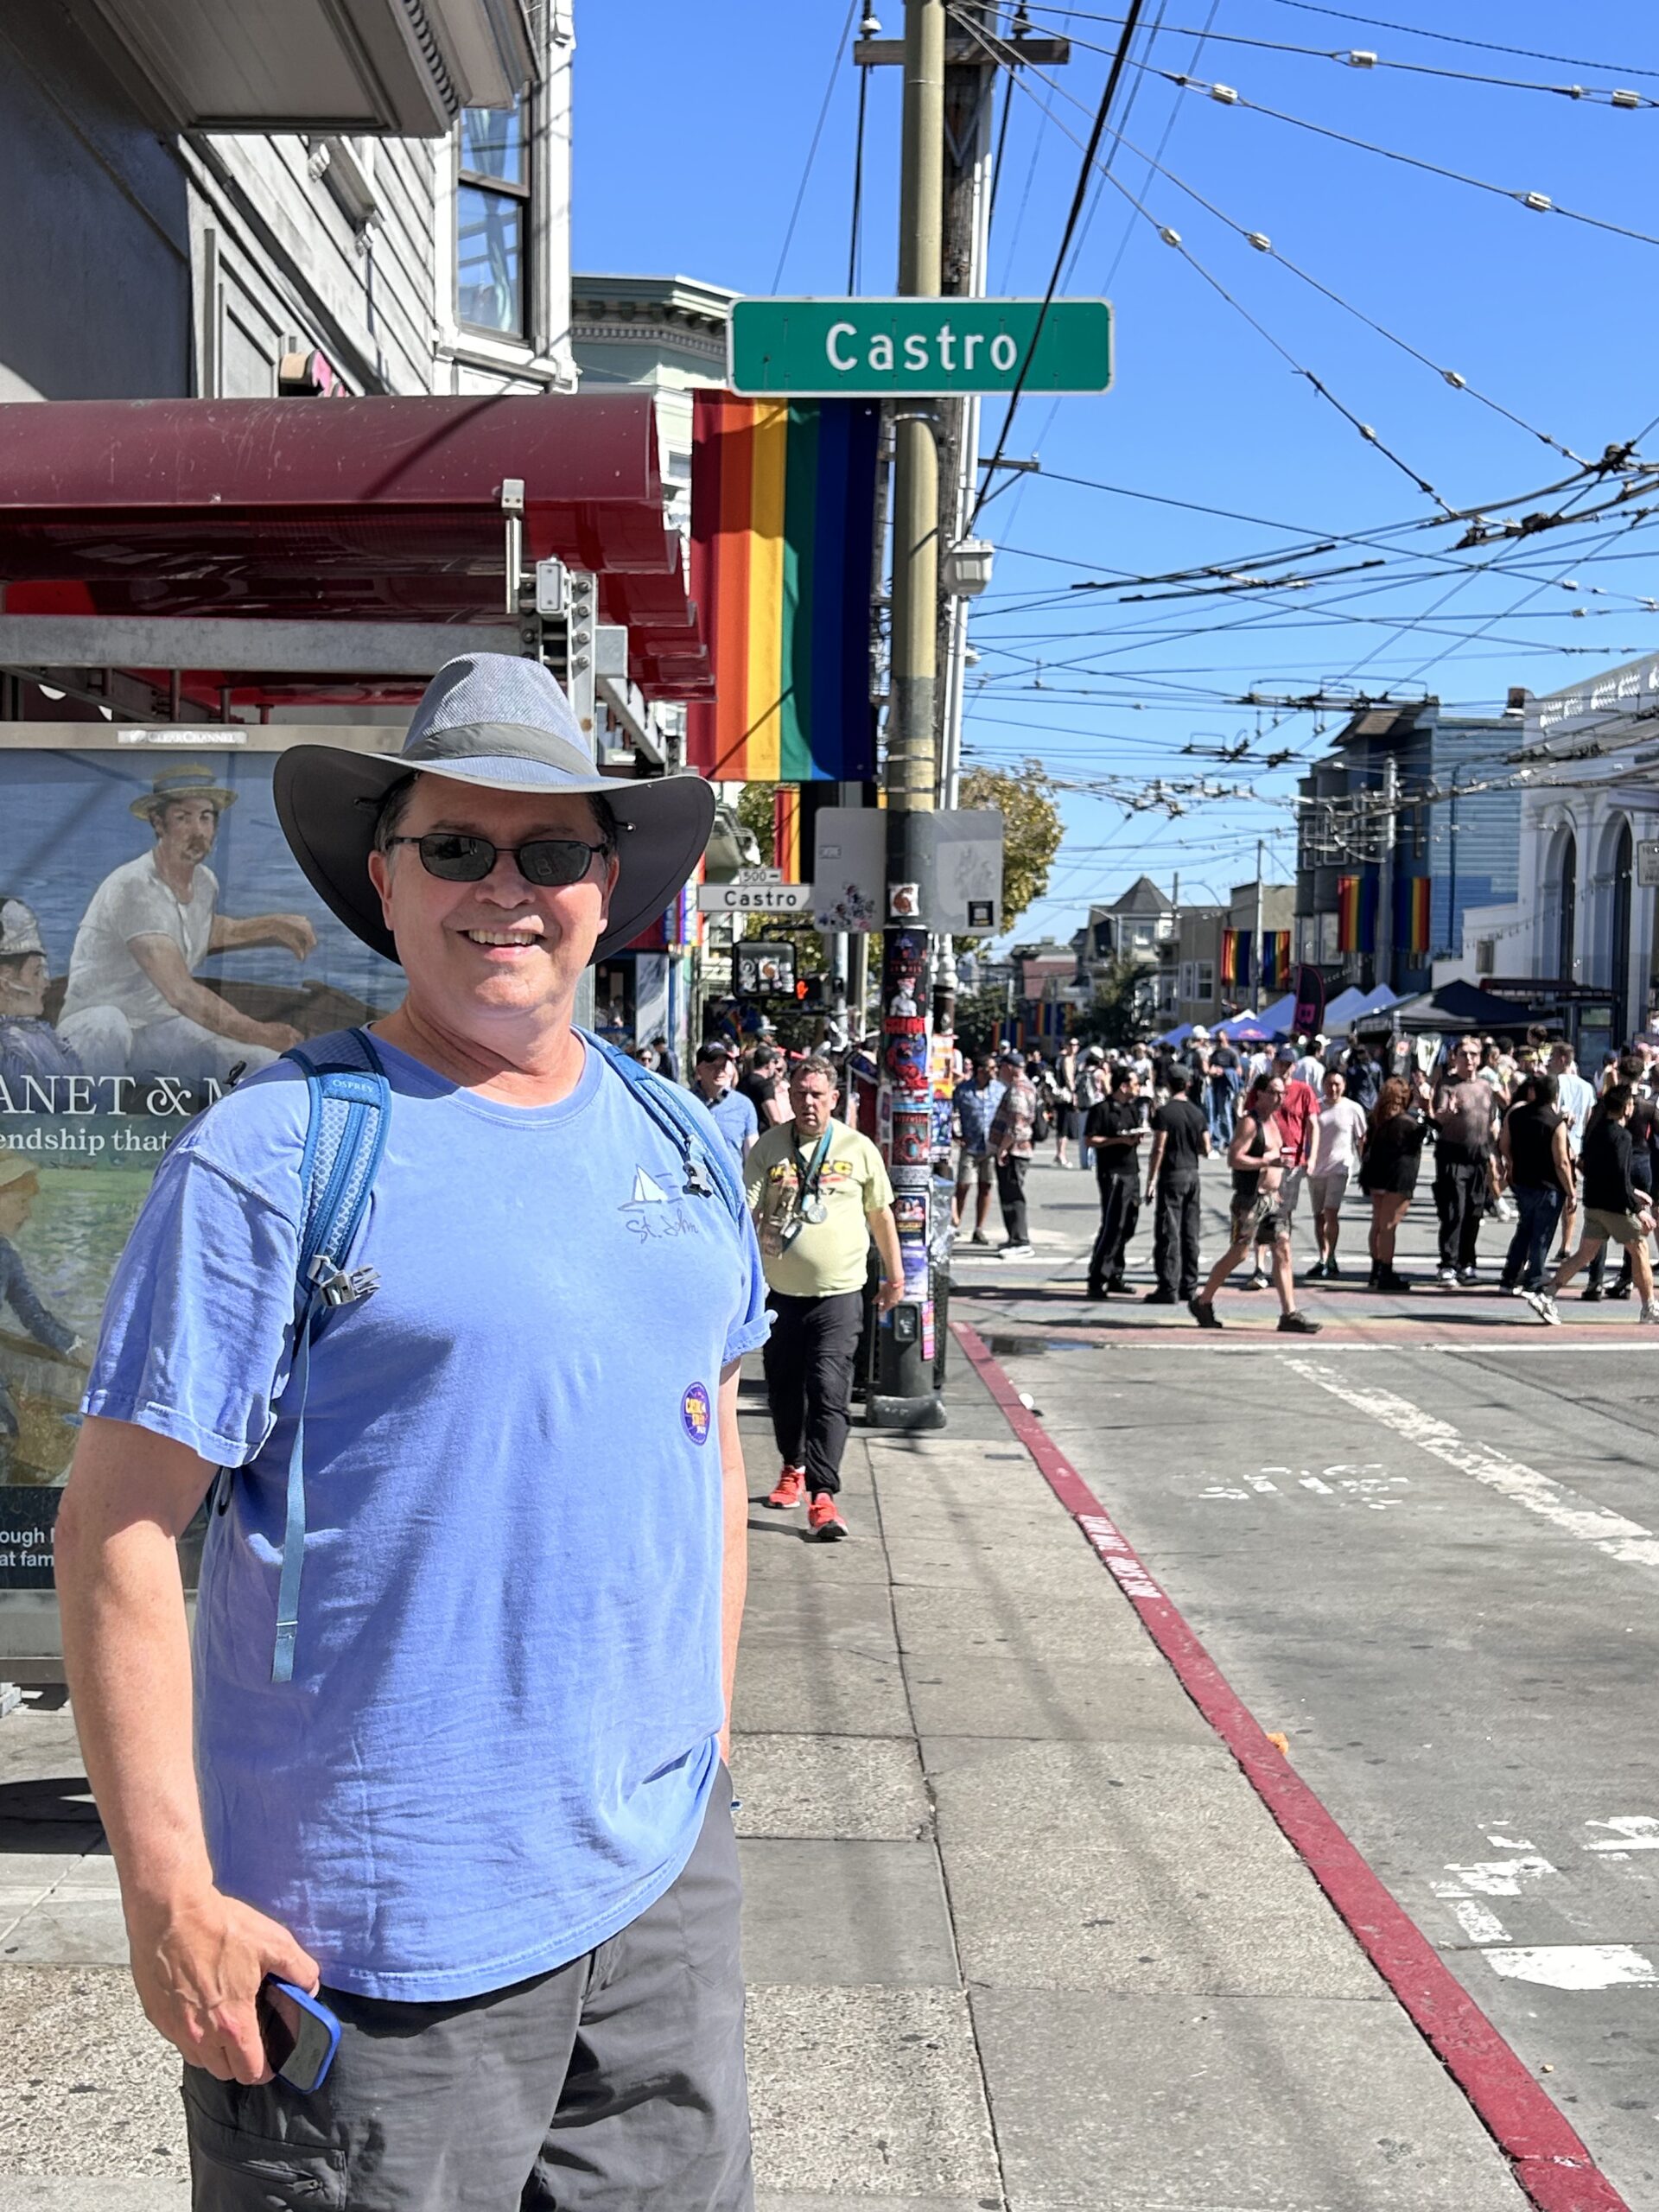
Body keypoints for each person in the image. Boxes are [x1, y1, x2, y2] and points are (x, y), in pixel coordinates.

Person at [54, 653, 768, 2209]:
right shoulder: (275, 1156)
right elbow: (113, 1525)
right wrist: (168, 1889)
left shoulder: (682, 1140)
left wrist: (697, 1754)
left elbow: (704, 1447)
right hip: (368, 1950)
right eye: (457, 847)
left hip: (655, 1905)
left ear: (607, 886)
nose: (504, 891)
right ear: (385, 880)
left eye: (553, 852)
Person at [57, 761, 318, 1082]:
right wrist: (260, 1031)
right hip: (93, 1031)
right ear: (158, 823)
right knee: (108, 1024)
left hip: (154, 1027)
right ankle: (87, 1128)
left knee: (261, 1064)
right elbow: (181, 992)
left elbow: (202, 930)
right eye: (183, 818)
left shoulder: (204, 882)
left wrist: (274, 925)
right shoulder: (133, 887)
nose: (198, 830)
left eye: (206, 817)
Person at [747, 1056, 903, 1538]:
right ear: (788, 1097)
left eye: (817, 1094)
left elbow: (881, 1216)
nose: (808, 1103)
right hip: (782, 1295)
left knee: (829, 1390)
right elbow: (746, 1218)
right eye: (799, 1094)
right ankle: (792, 1465)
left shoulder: (858, 1149)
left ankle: (823, 1495)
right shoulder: (770, 1149)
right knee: (784, 1391)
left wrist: (895, 1276)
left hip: (840, 1295)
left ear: (835, 1099)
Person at [1189, 1073, 1320, 1333]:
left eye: (1282, 1093)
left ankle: (1289, 1313)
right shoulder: (1250, 1123)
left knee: (1283, 1248)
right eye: (1273, 1092)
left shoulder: (1274, 1122)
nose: (1279, 1098)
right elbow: (1235, 1159)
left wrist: (1278, 1182)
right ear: (1259, 1093)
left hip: (1273, 1198)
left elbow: (1276, 1159)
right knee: (1240, 1252)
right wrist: (1267, 1162)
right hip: (1250, 1199)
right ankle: (1203, 1301)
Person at [1527, 1084, 1659, 1324]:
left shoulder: (1596, 1132)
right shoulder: (1623, 1137)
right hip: (1615, 1208)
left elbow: (1596, 1169)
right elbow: (1619, 1176)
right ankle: (1649, 1306)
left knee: (1584, 1255)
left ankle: (1547, 1294)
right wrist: (1638, 1209)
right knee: (1640, 1249)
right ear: (1626, 1108)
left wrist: (1634, 1191)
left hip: (1595, 1204)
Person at [1243, 1043, 1318, 1289]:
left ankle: (1281, 1263)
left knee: (1284, 1213)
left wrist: (1312, 1156)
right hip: (1266, 1158)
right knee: (1261, 1210)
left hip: (1292, 1161)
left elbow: (1312, 1125)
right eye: (1280, 1063)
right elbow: (1249, 1116)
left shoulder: (1303, 1090)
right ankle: (1259, 1268)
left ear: (1294, 1067)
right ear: (1273, 1064)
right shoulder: (1262, 1089)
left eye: (1288, 1064)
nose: (1284, 1068)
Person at [1497, 1071, 1573, 1298]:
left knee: (1525, 1229)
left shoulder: (1517, 1114)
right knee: (1542, 1233)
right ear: (1555, 1095)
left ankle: (1510, 1275)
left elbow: (1504, 1143)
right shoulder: (1555, 1121)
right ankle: (1535, 1276)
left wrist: (1511, 1163)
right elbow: (1562, 1161)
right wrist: (1571, 1190)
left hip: (1522, 1180)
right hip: (1548, 1184)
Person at [1432, 1038, 1499, 1284]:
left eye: (1473, 1054)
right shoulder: (1448, 1085)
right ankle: (1448, 1263)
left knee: (1474, 1211)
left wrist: (1497, 1157)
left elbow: (1492, 1124)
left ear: (1480, 1058)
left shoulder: (1485, 1086)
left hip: (1479, 1157)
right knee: (1454, 1211)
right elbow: (1437, 1117)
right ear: (1455, 1057)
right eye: (1464, 1054)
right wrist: (1447, 1113)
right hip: (1453, 1155)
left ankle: (1467, 1263)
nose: (1468, 1059)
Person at [0, 896, 85, 1092]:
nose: (46, 983)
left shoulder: (39, 1038)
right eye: (36, 973)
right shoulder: (12, 1050)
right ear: (5, 981)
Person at [1144, 1071, 1210, 1304]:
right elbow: (1206, 1147)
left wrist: (1151, 1180)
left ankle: (1168, 1286)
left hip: (1172, 1174)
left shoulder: (1165, 1113)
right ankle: (1189, 1285)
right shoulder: (1197, 1113)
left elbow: (1158, 1148)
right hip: (1192, 1173)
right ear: (1188, 1084)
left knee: (1168, 1230)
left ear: (1169, 1085)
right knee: (1190, 1231)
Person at [1361, 1073, 1429, 1292]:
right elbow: (1429, 1132)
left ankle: (1376, 1268)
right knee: (1389, 1226)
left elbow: (1365, 1145)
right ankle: (1386, 1271)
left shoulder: (1375, 1118)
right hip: (1397, 1177)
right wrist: (1428, 1111)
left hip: (1375, 1175)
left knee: (1378, 1223)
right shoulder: (1407, 1123)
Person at [1085, 1066, 1146, 1297]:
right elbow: (1090, 1139)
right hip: (1112, 1172)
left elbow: (1131, 1135)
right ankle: (1097, 1278)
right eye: (1135, 1084)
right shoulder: (1102, 1109)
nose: (1137, 1088)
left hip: (1132, 1171)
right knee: (1113, 1225)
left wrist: (1135, 1137)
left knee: (1129, 1224)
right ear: (1123, 1085)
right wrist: (1116, 1141)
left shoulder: (1131, 1109)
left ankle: (1115, 1274)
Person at [1303, 1069, 1370, 1280]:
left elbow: (1361, 1139)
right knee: (1318, 1216)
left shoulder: (1353, 1108)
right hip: (1316, 1168)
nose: (1333, 1088)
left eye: (1337, 1084)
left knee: (1331, 1212)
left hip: (1340, 1168)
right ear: (1322, 1085)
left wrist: (1364, 1166)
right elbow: (1306, 1135)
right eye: (1329, 1084)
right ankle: (1322, 1257)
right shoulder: (1316, 1107)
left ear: (1344, 1086)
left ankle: (1331, 1256)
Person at [1548, 1041, 1596, 1260]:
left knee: (1552, 1197)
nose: (1549, 1063)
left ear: (1562, 1059)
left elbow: (1552, 1112)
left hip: (1556, 1144)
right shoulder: (1586, 1087)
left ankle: (1547, 1242)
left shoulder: (1554, 1083)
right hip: (1578, 1144)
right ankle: (1566, 1243)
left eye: (1552, 1058)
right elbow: (1588, 1119)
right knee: (1572, 1195)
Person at [952, 1052, 1005, 1242]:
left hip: (991, 1147)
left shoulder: (999, 1089)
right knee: (963, 1186)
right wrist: (955, 1134)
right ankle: (955, 1224)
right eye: (991, 1068)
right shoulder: (963, 1090)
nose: (995, 1071)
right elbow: (952, 1113)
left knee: (986, 1186)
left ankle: (979, 1228)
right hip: (971, 1145)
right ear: (981, 1070)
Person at [988, 1048, 1038, 1253]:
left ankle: (1020, 1240)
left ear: (1009, 1068)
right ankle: (1014, 1237)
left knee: (1013, 1194)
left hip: (1014, 1151)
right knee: (1008, 1193)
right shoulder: (1026, 1086)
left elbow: (1016, 1124)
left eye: (1001, 1067)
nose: (999, 1071)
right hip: (1016, 1148)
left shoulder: (1018, 1089)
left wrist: (1002, 1148)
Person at [690, 1038, 759, 1163]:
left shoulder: (743, 1105)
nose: (719, 1071)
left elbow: (752, 1153)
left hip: (732, 1181)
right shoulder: (686, 1102)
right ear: (699, 1070)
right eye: (712, 1066)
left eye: (723, 1065)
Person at [739, 1039, 791, 1129]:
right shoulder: (765, 1085)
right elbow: (775, 1118)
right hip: (762, 1136)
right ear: (769, 1064)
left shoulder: (742, 1082)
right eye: (774, 1063)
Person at [1206, 1033, 1241, 1144]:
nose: (1218, 1042)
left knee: (1224, 1113)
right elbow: (1209, 1067)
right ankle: (1217, 1139)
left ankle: (1229, 1140)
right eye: (1217, 1040)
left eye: (1220, 1040)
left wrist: (1225, 1072)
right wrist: (1213, 1071)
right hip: (1215, 1085)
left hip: (1226, 1086)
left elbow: (1238, 1071)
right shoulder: (1215, 1053)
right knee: (1215, 1113)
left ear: (1226, 1038)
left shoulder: (1231, 1053)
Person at [1052, 1039, 1080, 1167]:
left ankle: (1060, 1154)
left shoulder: (1062, 1059)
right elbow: (1069, 1078)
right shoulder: (1067, 1060)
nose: (1074, 1047)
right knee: (1064, 1125)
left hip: (1061, 1096)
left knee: (1063, 1125)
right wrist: (1074, 1093)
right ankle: (1061, 1155)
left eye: (1076, 1045)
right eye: (1071, 1045)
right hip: (1066, 1096)